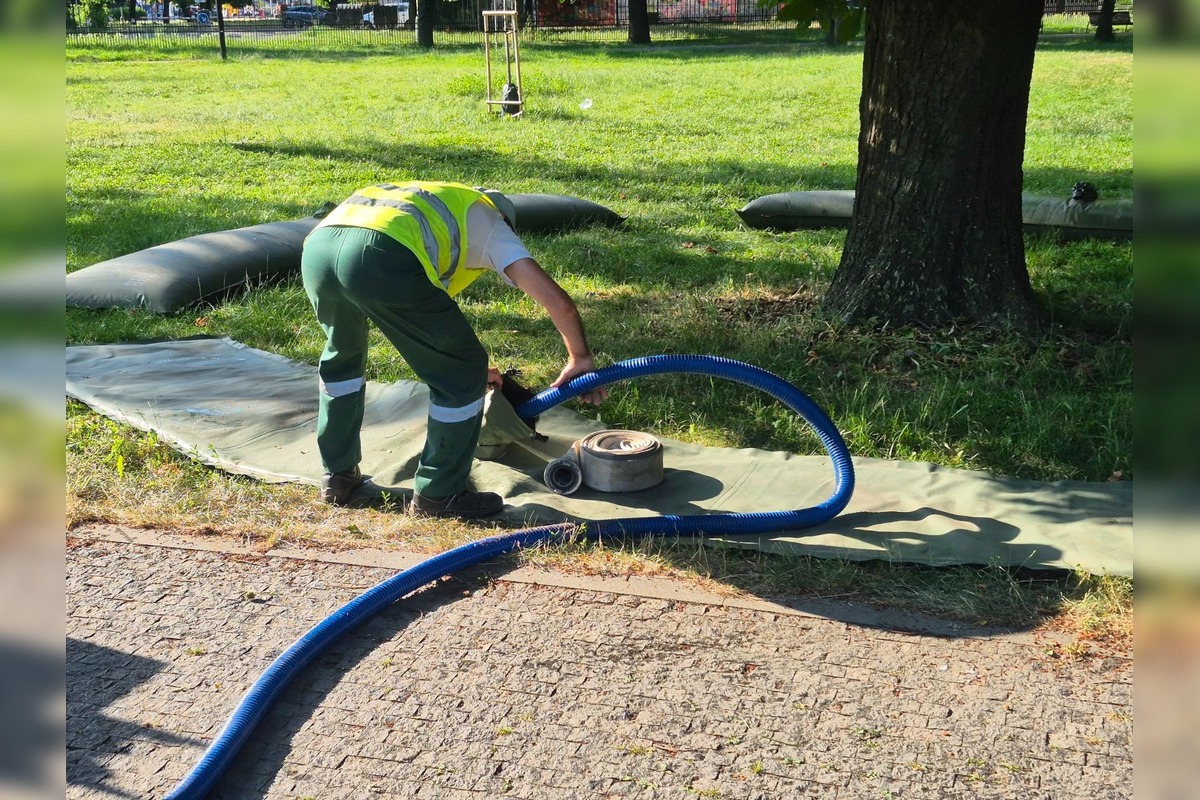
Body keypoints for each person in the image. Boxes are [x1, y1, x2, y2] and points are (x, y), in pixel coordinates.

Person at [300, 181, 606, 518]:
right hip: (380, 255)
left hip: (319, 248)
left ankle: (337, 475)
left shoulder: (433, 206)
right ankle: (439, 493)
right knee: (461, 371)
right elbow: (558, 303)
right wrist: (580, 357)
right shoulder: (491, 223)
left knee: (342, 361)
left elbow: (419, 328)